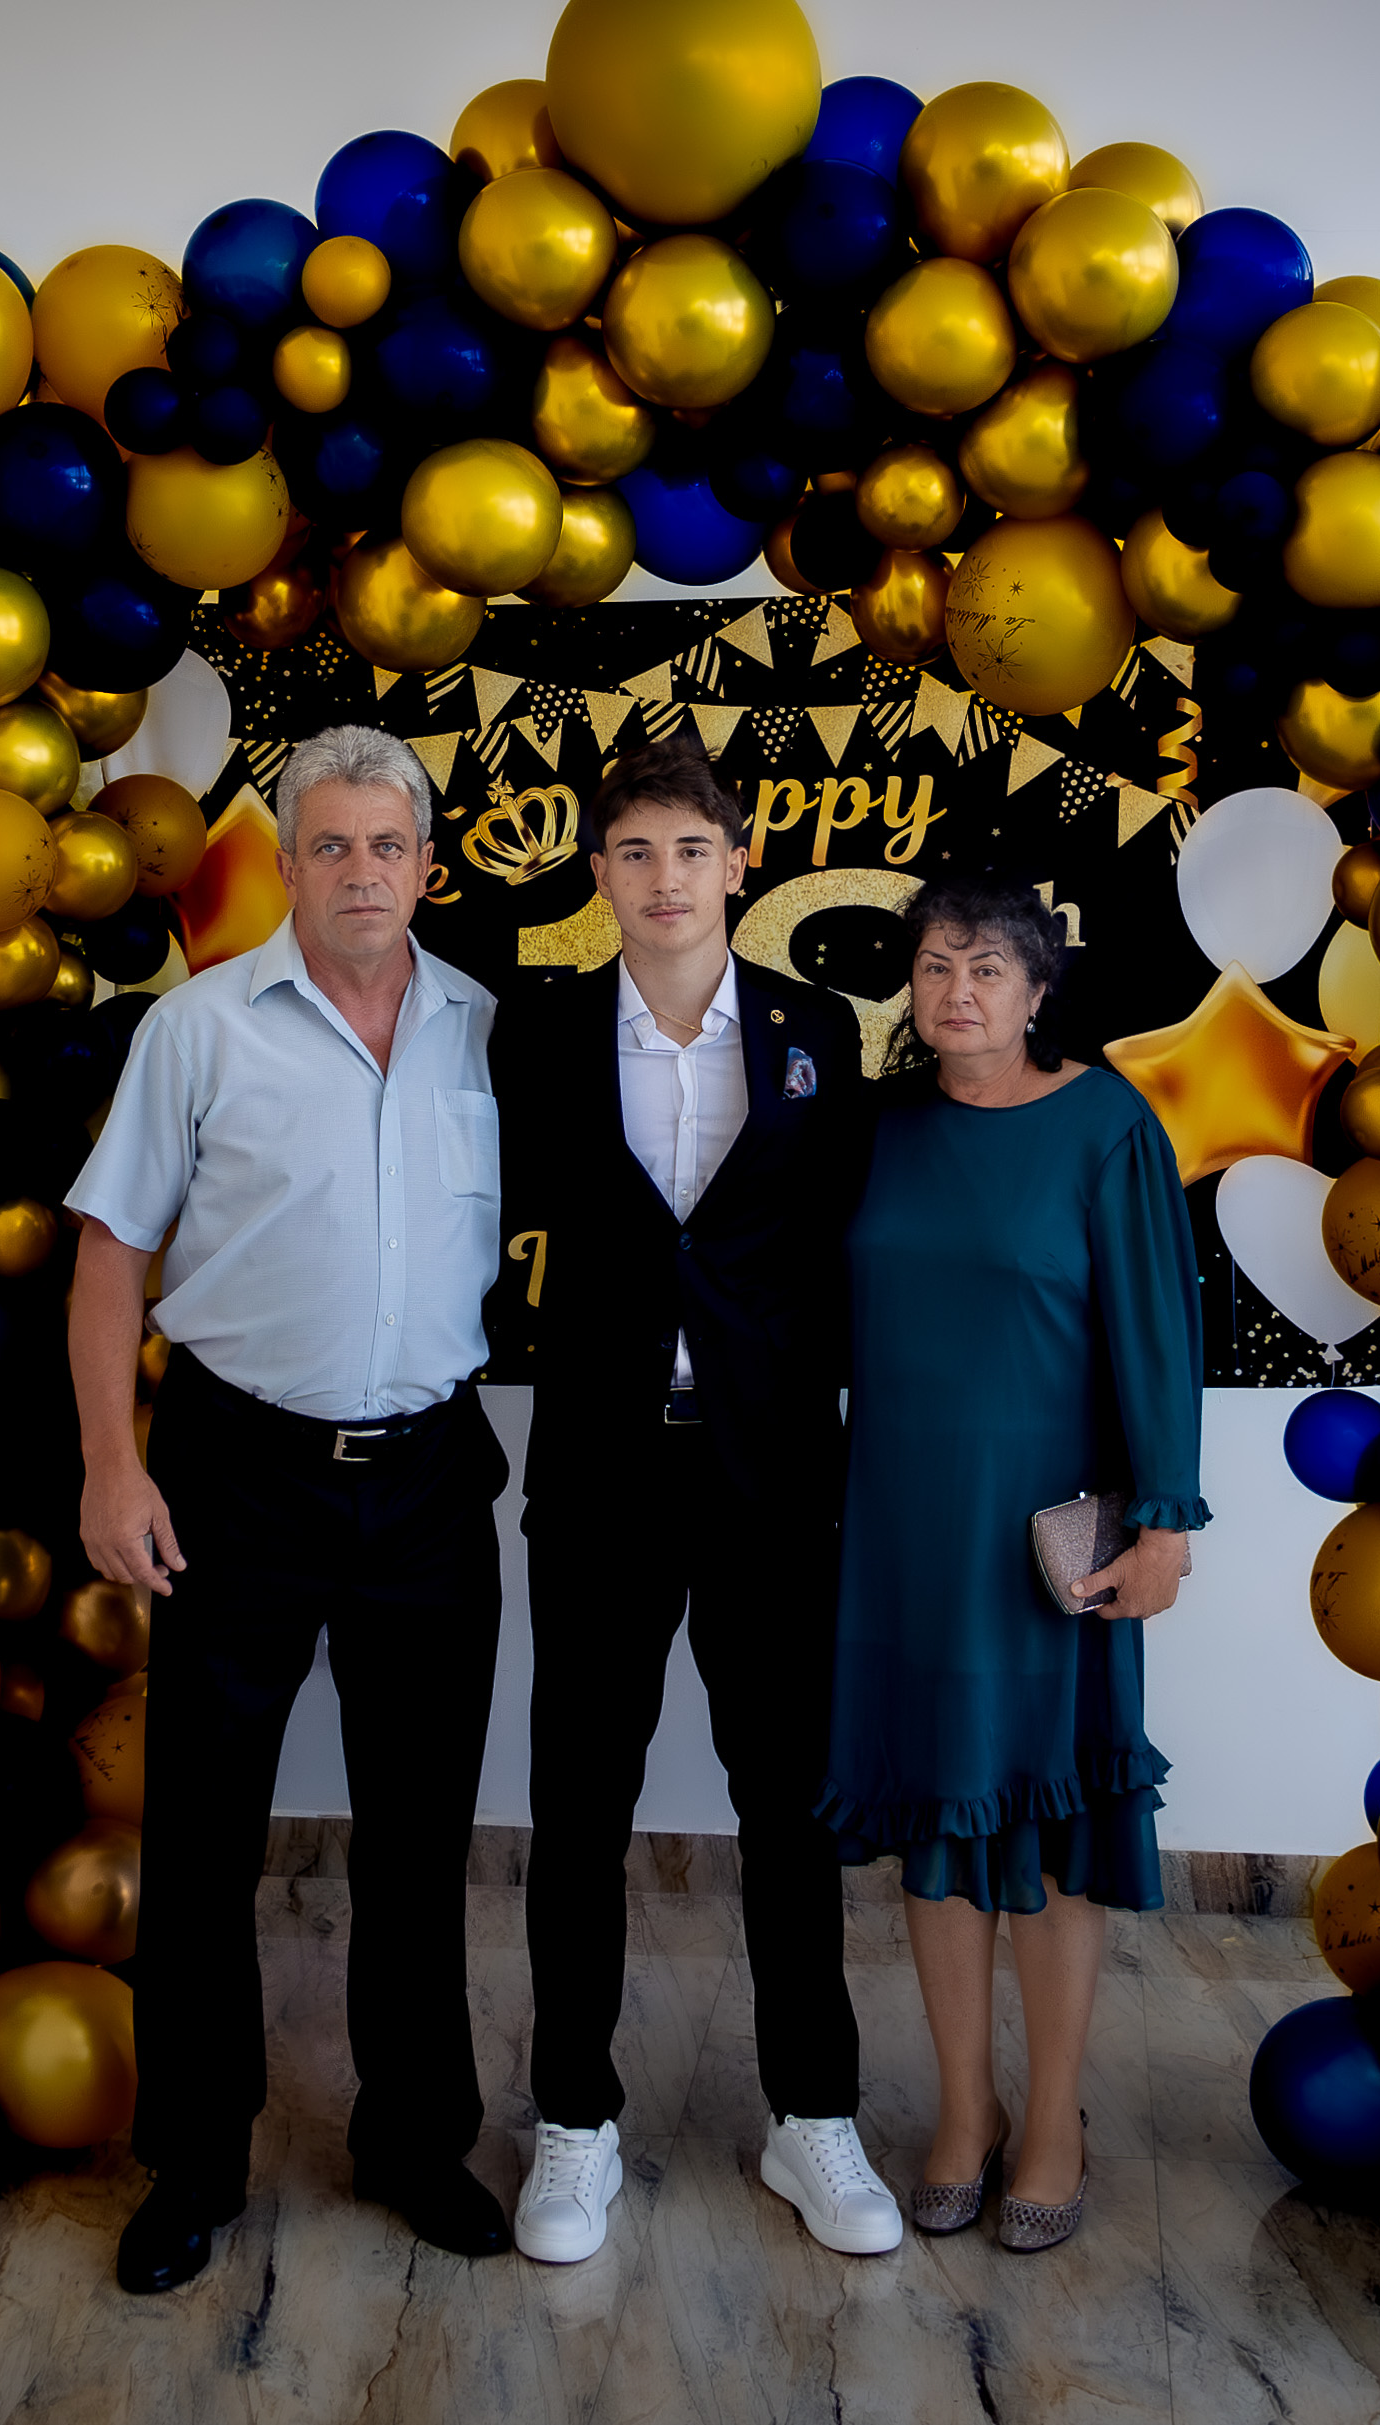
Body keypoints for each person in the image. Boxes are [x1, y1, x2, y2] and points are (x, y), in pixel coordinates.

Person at [61, 725, 513, 2294]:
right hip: (234, 1476)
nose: (361, 871)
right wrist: (112, 1463)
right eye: (331, 844)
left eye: (388, 845)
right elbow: (110, 1253)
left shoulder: (487, 1030)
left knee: (420, 1837)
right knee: (203, 1838)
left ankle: (416, 2137)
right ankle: (195, 2159)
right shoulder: (195, 1029)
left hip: (433, 1482)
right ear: (289, 863)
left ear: (428, 865)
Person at [483, 733, 899, 2265]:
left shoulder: (816, 1028)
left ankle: (814, 2112)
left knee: (787, 1803)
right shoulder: (536, 1030)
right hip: (601, 1470)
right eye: (635, 851)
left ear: (740, 862)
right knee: (579, 1802)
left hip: (770, 1475)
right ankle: (573, 2120)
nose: (665, 878)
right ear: (599, 872)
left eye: (690, 849)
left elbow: (845, 1245)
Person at [818, 875, 1208, 2255]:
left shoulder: (1106, 1125)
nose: (958, 990)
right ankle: (965, 2110)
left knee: (1045, 1829)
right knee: (938, 1820)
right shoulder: (880, 1128)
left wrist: (1165, 1523)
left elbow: (1159, 1328)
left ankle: (1052, 2120)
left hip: (1050, 1537)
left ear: (1040, 990)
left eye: (989, 966)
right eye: (935, 965)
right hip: (904, 1531)